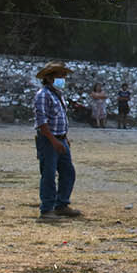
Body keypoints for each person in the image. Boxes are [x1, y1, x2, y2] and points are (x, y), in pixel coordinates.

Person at [33, 61, 81, 221]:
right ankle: (46, 209)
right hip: (49, 141)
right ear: (49, 77)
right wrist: (54, 141)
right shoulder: (43, 95)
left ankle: (61, 205)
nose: (63, 78)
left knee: (68, 172)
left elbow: (59, 118)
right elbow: (42, 123)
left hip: (60, 139)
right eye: (61, 75)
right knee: (48, 174)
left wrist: (64, 138)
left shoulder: (57, 94)